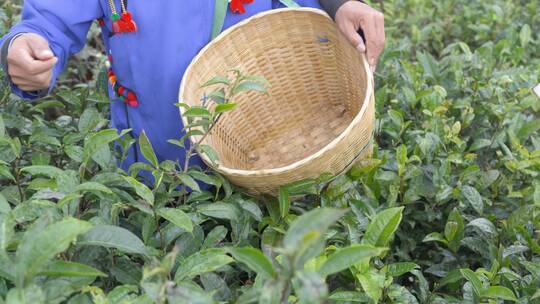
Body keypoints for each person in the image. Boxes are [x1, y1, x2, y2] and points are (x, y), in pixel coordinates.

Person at [0, 0, 385, 175]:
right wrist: (25, 45)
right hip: (156, 169)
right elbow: (49, 21)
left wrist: (339, 5)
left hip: (270, 155)